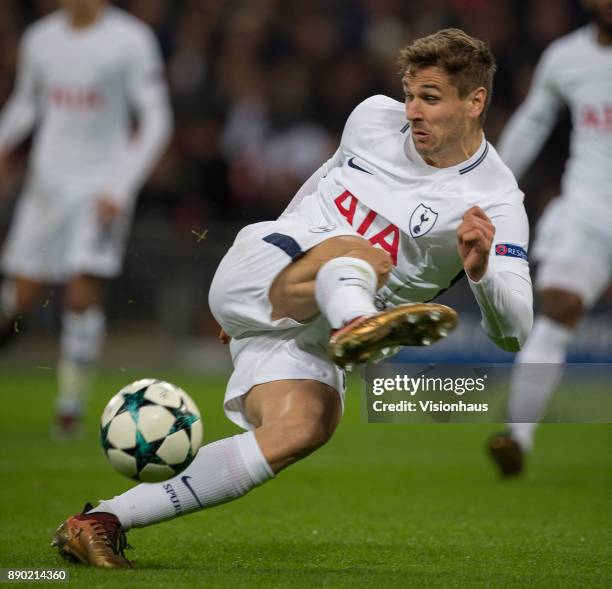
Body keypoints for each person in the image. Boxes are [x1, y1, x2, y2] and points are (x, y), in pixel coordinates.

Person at [52, 28, 533, 568]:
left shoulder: (496, 202)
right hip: (277, 263)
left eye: (430, 98)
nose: (412, 111)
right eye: (409, 94)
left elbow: (515, 331)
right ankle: (355, 322)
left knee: (306, 426)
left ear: (476, 101)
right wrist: (264, 288)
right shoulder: (372, 117)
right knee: (366, 253)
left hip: (307, 332)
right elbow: (317, 186)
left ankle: (101, 521)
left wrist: (484, 272)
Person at [0, 0, 172, 437]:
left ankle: (70, 408)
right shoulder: (40, 39)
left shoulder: (131, 39)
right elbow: (26, 103)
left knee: (81, 294)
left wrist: (122, 184)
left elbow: (156, 118)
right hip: (46, 183)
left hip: (102, 185)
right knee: (20, 298)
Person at [488, 0, 612, 477]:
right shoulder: (566, 57)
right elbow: (532, 123)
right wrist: (490, 188)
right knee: (558, 308)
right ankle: (517, 436)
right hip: (590, 209)